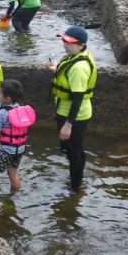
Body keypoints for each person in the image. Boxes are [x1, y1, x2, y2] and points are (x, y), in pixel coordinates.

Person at [49, 27, 97, 194]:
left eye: (69, 42)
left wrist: (68, 124)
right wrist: (57, 69)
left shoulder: (79, 68)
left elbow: (77, 98)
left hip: (74, 115)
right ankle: (78, 173)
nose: (65, 45)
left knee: (73, 151)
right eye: (64, 40)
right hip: (65, 110)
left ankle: (75, 189)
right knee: (70, 148)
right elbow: (69, 79)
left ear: (81, 45)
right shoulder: (74, 58)